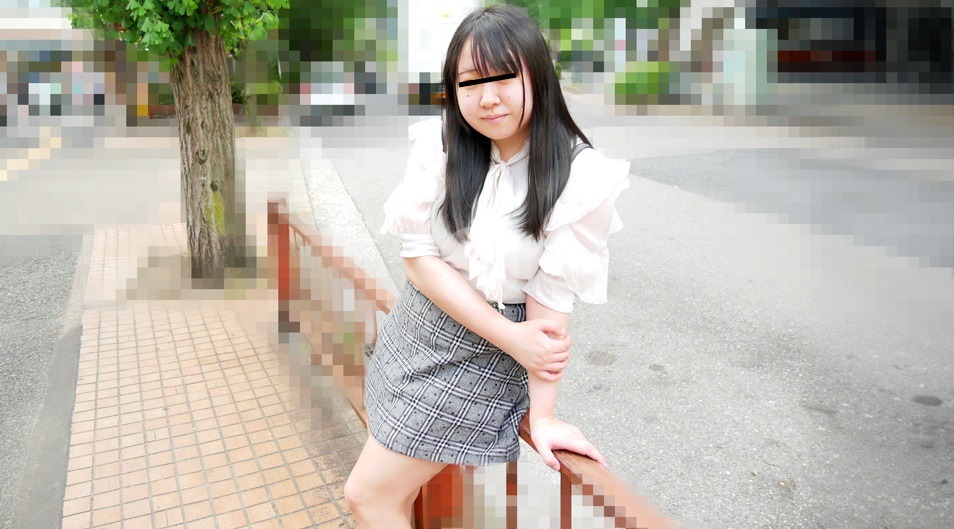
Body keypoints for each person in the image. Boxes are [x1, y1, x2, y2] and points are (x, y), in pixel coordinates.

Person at [344, 5, 630, 527]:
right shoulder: (441, 144)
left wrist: (542, 415)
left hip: (483, 358)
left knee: (367, 496)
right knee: (390, 485)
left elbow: (551, 303)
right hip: (416, 328)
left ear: (537, 76)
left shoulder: (580, 177)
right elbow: (418, 260)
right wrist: (512, 335)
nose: (488, 97)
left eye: (504, 76)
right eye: (471, 81)